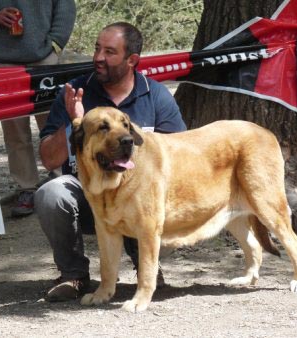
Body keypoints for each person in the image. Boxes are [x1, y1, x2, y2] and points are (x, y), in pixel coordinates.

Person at [35, 22, 187, 302]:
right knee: (50, 193)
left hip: (138, 202)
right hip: (88, 196)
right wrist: (74, 121)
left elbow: (181, 160)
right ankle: (74, 276)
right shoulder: (75, 92)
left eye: (109, 51)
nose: (98, 58)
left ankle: (146, 270)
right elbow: (48, 159)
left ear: (132, 60)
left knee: (146, 197)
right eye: (97, 49)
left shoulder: (156, 96)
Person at [0, 0, 76, 217]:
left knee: (54, 125)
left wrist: (54, 46)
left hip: (44, 60)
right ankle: (27, 188)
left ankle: (64, 180)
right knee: (15, 132)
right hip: (2, 63)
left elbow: (65, 8)